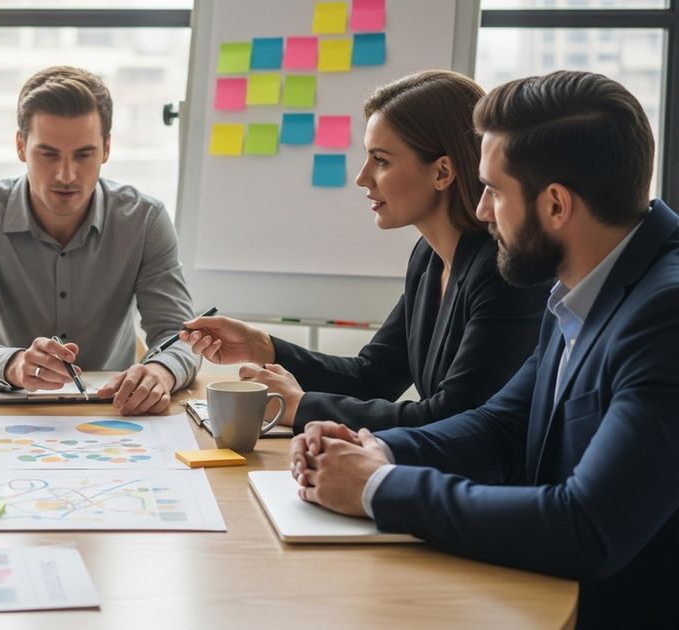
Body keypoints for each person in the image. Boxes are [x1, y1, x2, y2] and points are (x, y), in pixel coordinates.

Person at [291, 71, 679, 628]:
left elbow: (587, 525)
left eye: (494, 191)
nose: (480, 212)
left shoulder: (664, 315)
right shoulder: (579, 284)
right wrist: (373, 448)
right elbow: (501, 425)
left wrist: (378, 487)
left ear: (555, 206)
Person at [181, 71, 546, 434]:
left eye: (381, 160)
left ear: (442, 172)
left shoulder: (500, 272)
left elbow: (452, 416)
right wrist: (263, 345)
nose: (362, 177)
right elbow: (373, 376)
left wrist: (301, 406)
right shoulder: (429, 258)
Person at [0, 65, 200, 416]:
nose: (66, 175)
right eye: (47, 154)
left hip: (116, 411)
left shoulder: (145, 220)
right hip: (7, 411)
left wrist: (159, 372)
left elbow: (179, 336)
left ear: (106, 149)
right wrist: (14, 364)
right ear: (20, 147)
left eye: (83, 154)